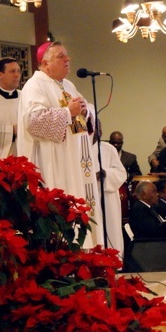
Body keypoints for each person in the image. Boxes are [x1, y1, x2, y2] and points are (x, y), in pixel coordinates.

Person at [17, 41, 103, 248]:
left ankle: (88, 249)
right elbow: (34, 122)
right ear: (45, 63)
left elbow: (84, 112)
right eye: (61, 57)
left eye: (67, 56)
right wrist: (67, 112)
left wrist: (86, 110)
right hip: (53, 162)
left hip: (75, 161)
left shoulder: (68, 85)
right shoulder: (35, 85)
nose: (67, 60)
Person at [95, 137, 127, 255]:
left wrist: (105, 173)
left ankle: (113, 260)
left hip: (108, 196)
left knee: (110, 228)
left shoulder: (108, 149)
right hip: (88, 195)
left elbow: (121, 173)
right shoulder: (78, 147)